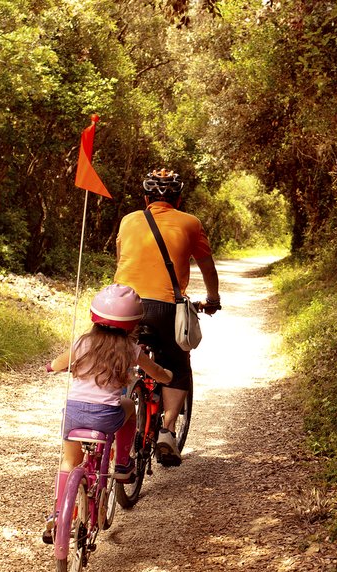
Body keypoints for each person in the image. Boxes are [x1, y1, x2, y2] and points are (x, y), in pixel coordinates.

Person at [42, 284, 172, 544]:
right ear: (134, 323)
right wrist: (167, 376)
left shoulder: (83, 342)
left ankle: (57, 516)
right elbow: (157, 373)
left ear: (95, 316)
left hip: (75, 415)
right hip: (106, 417)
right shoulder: (131, 349)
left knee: (69, 462)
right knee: (129, 408)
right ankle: (123, 464)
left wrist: (52, 367)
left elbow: (56, 365)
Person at [114, 168, 220, 467]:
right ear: (179, 198)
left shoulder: (128, 219)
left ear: (146, 198)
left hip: (123, 304)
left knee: (118, 355)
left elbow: (121, 259)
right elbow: (207, 268)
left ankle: (115, 406)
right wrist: (213, 300)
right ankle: (167, 429)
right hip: (164, 307)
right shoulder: (190, 222)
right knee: (177, 364)